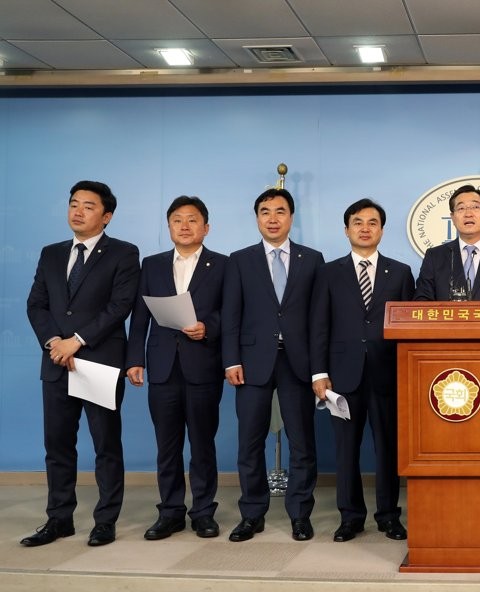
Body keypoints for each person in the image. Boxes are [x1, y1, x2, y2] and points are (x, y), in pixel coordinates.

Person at [24, 180, 140, 547]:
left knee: (106, 445)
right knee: (58, 445)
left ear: (106, 216)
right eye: (74, 204)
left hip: (99, 362)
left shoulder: (123, 253)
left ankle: (105, 521)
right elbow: (36, 304)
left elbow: (120, 306)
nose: (78, 211)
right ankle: (59, 519)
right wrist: (54, 342)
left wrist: (77, 340)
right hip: (57, 361)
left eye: (89, 206)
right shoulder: (51, 254)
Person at [222, 188, 324, 542]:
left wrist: (319, 368)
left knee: (302, 443)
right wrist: (231, 360)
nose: (272, 218)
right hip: (251, 363)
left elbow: (318, 319)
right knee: (249, 443)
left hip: (298, 361)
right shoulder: (240, 260)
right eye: (265, 212)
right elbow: (231, 315)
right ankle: (252, 514)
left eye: (280, 211)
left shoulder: (312, 259)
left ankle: (300, 514)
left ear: (291, 217)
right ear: (257, 218)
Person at [310, 198, 414, 543]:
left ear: (382, 230)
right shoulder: (328, 272)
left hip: (388, 373)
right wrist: (319, 373)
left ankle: (389, 516)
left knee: (388, 449)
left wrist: (408, 373)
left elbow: (409, 329)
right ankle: (350, 517)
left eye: (372, 222)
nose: (365, 228)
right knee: (346, 450)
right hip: (342, 376)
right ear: (346, 230)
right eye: (358, 222)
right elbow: (319, 325)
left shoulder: (400, 272)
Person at [126, 196, 226, 540]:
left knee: (202, 444)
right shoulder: (152, 265)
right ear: (169, 227)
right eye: (177, 220)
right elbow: (140, 316)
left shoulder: (223, 265)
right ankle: (169, 512)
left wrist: (208, 327)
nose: (184, 226)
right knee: (166, 446)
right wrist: (135, 359)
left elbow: (231, 312)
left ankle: (203, 512)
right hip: (162, 366)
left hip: (203, 365)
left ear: (206, 228)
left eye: (192, 220)